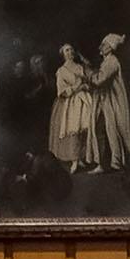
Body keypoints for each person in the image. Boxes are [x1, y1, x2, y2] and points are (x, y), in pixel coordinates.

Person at [83, 32, 130, 173]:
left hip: (111, 102)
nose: (101, 47)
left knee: (111, 131)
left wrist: (87, 70)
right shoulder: (107, 61)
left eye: (104, 45)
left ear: (110, 47)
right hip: (103, 100)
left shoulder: (112, 61)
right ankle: (102, 163)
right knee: (99, 130)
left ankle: (115, 163)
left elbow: (99, 80)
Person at [48, 44, 93, 173]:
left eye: (71, 49)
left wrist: (86, 86)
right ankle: (74, 160)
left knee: (84, 130)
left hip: (84, 100)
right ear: (63, 54)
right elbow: (62, 91)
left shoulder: (80, 67)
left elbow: (88, 81)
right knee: (73, 129)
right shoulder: (61, 71)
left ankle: (80, 157)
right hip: (69, 103)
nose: (70, 52)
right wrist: (77, 87)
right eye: (67, 50)